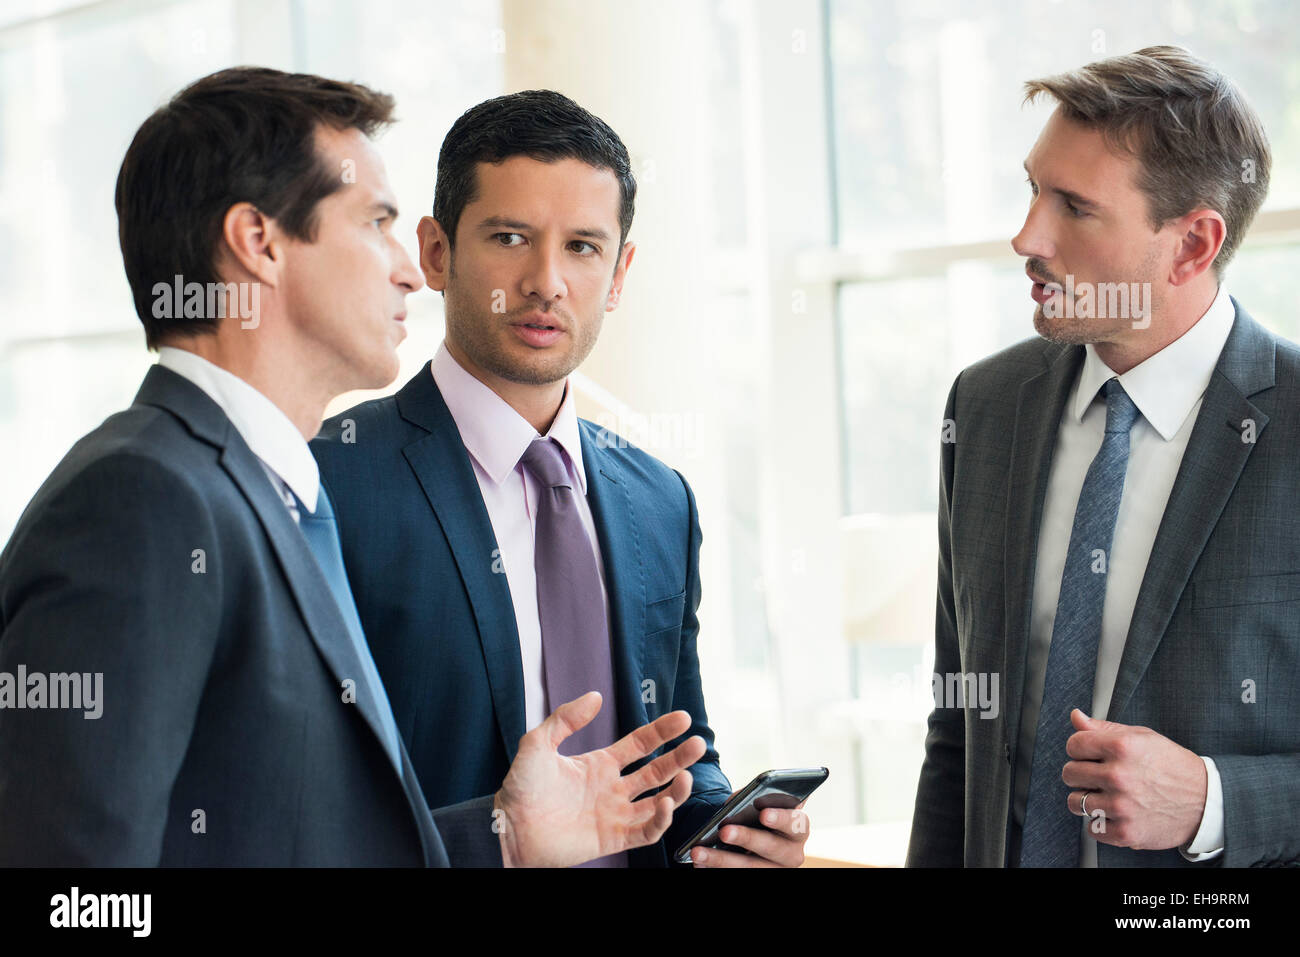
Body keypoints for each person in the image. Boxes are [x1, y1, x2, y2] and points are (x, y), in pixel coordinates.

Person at [0, 66, 705, 867]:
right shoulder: (140, 499)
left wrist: (503, 838)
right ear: (259, 244)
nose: (407, 269)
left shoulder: (278, 493)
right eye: (375, 223)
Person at [311, 90, 810, 868]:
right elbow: (293, 807)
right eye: (510, 237)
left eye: (582, 246)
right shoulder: (328, 481)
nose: (546, 281)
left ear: (619, 272)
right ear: (437, 253)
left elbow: (681, 749)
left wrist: (732, 830)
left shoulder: (660, 499)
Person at [907, 46, 1300, 867]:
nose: (1026, 237)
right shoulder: (982, 408)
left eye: (1075, 209)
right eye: (1032, 190)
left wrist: (1212, 800)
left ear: (1192, 244)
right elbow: (956, 734)